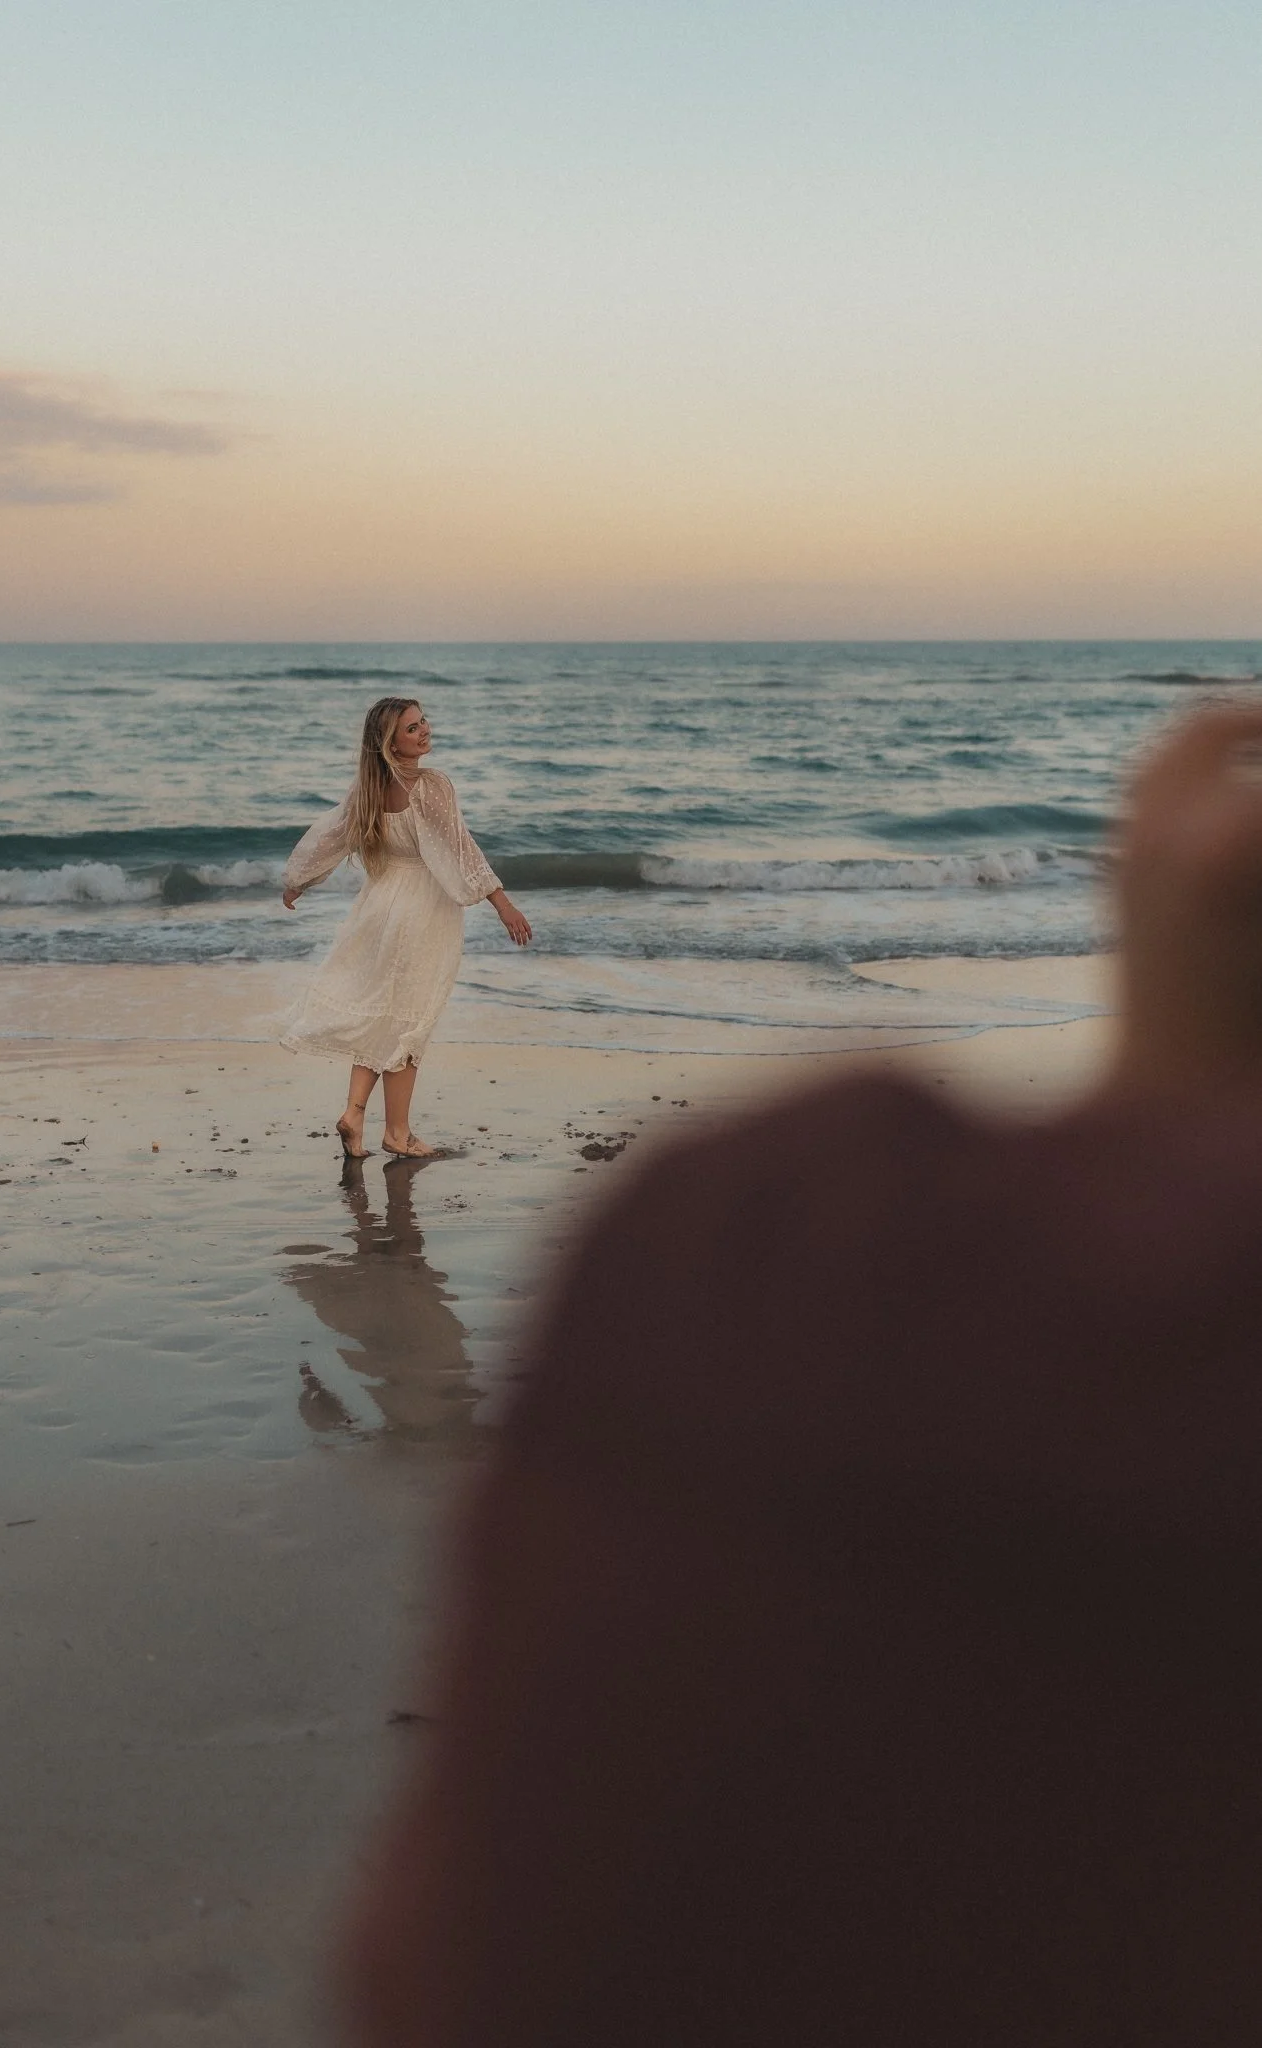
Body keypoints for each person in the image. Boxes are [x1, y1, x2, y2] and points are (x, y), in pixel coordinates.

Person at [337, 704, 1262, 2046]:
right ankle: (374, 1120)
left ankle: (376, 1121)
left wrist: (1170, 1075)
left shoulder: (762, 1277)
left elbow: (443, 1973)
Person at [281, 697, 531, 1160]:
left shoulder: (369, 788)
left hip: (379, 905)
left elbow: (329, 838)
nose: (424, 730)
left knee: (383, 1015)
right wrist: (504, 905)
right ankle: (398, 1133)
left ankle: (355, 1114)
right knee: (411, 1023)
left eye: (423, 722)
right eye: (412, 728)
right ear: (390, 742)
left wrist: (297, 881)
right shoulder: (430, 785)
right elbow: (462, 851)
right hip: (423, 911)